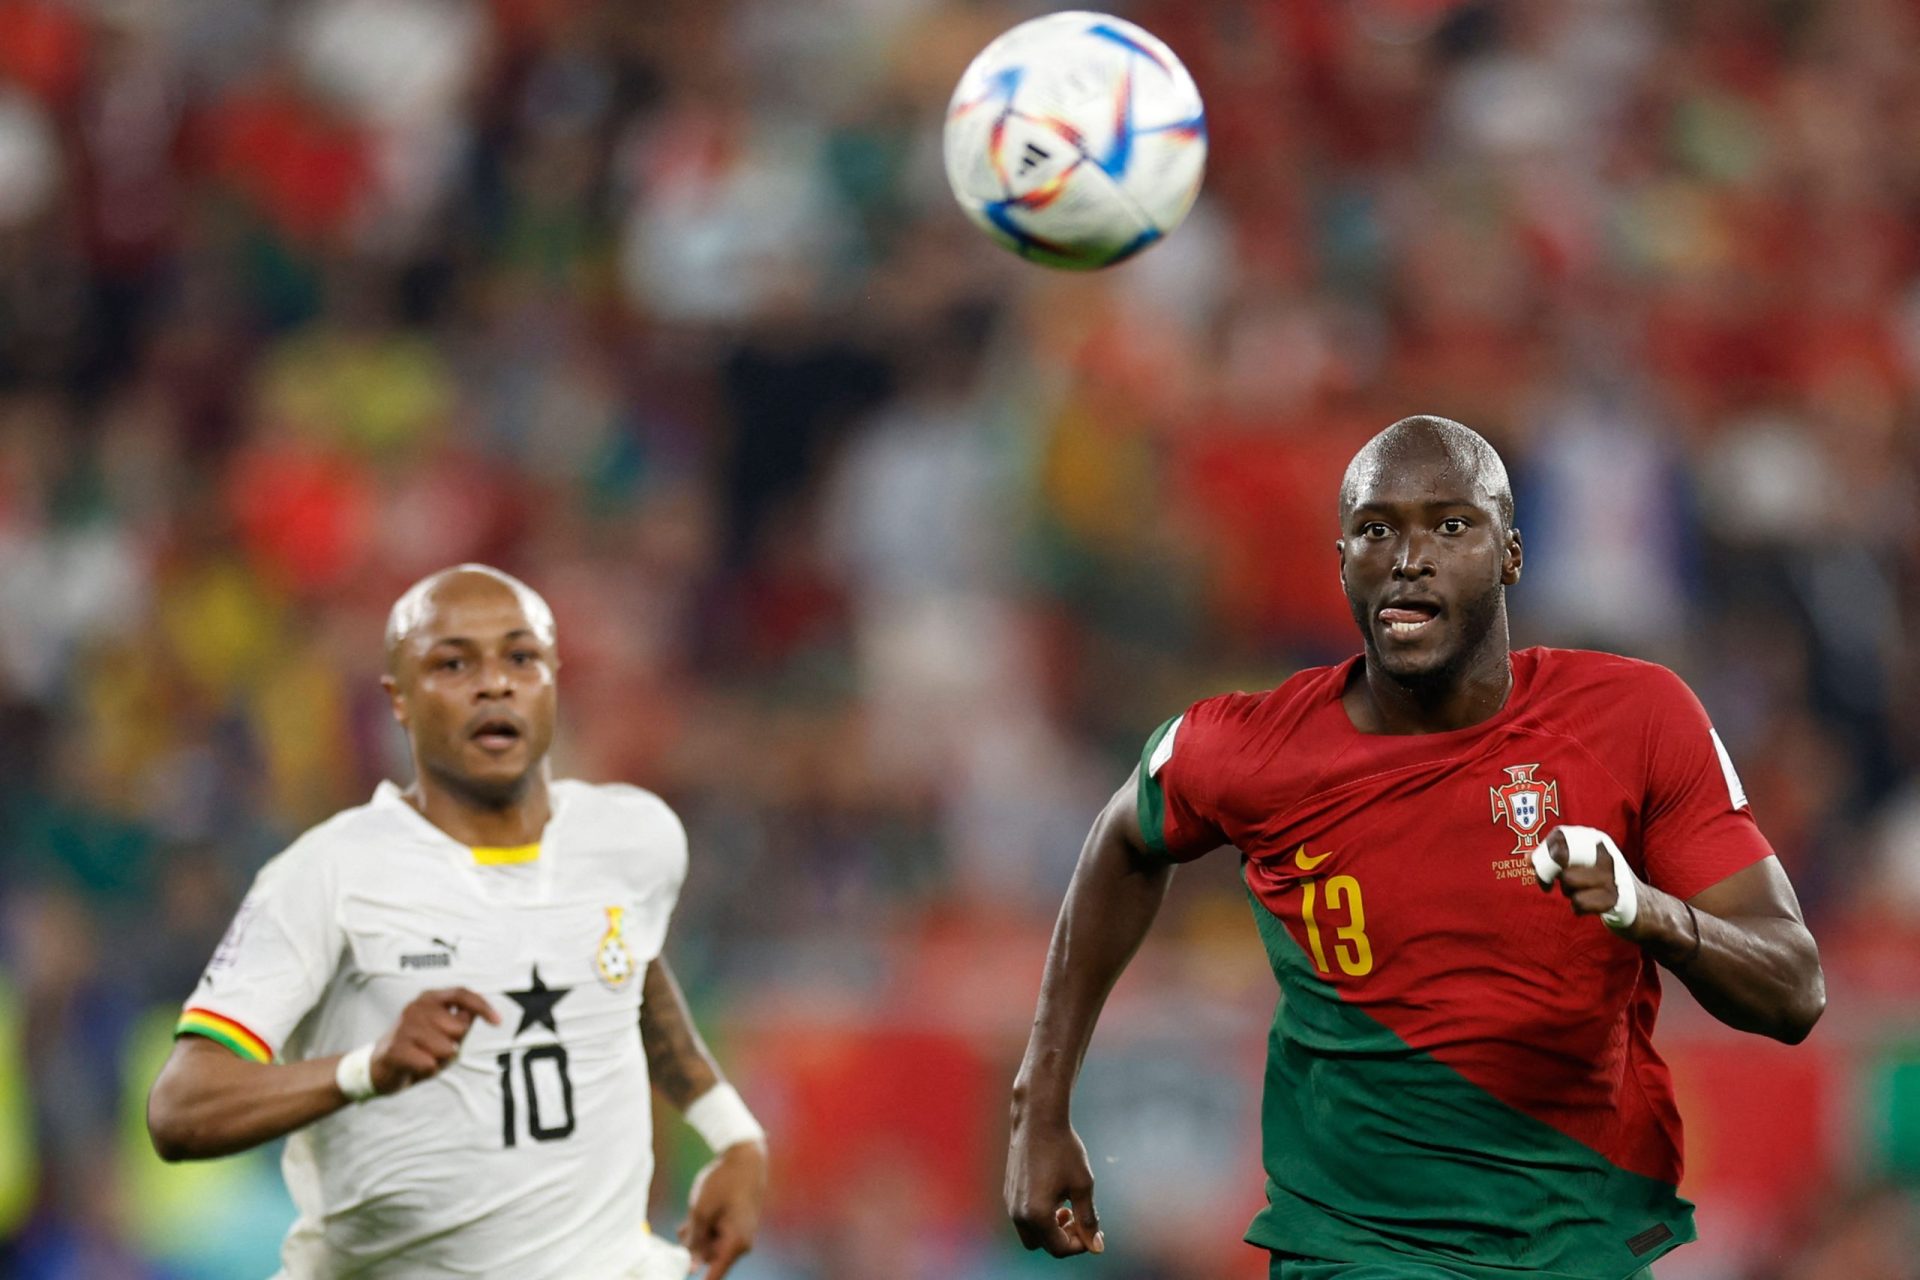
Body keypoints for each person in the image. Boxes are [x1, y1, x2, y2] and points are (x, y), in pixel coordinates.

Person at [1005, 417, 1825, 1279]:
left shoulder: (1638, 719)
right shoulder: (1251, 746)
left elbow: (1794, 989)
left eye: (1451, 525)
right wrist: (1040, 1104)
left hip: (1578, 1246)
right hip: (1356, 1250)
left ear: (1512, 553)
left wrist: (1646, 909)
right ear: (1343, 562)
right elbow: (1124, 837)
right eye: (1375, 529)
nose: (1409, 555)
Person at [146, 565, 768, 1280]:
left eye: (521, 657)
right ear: (399, 701)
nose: (495, 683)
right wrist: (364, 1070)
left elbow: (630, 968)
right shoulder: (325, 875)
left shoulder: (635, 837)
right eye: (452, 663)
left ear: (554, 680)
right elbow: (179, 1108)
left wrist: (733, 1134)